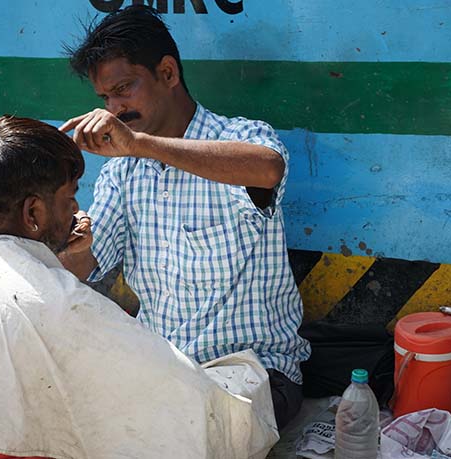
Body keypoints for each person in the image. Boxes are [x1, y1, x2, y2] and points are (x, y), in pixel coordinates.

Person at [0, 115, 278, 458]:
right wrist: (245, 390)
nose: (77, 208)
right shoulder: (55, 304)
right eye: (70, 197)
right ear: (34, 212)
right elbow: (194, 420)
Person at [60, 5, 310, 430]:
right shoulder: (122, 170)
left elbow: (267, 167)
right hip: (163, 368)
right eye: (106, 98)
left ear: (168, 73)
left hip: (253, 372)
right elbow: (88, 266)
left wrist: (142, 144)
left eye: (124, 89)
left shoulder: (240, 138)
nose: (115, 108)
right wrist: (70, 245)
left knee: (179, 430)